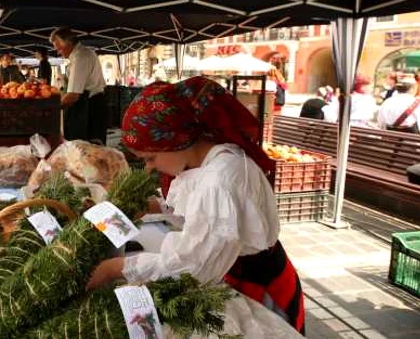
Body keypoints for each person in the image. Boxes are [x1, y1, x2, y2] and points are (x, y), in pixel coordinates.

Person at [86, 77, 305, 335]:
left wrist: (115, 268)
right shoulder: (210, 161)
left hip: (256, 284)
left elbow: (191, 267)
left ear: (175, 140)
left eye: (151, 158)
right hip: (229, 271)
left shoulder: (221, 179)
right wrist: (152, 206)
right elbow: (198, 208)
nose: (149, 168)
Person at [50, 27, 108, 144]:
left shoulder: (81, 57)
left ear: (69, 43)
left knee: (87, 148)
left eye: (59, 48)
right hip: (87, 104)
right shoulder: (81, 54)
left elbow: (73, 95)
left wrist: (53, 109)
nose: (58, 52)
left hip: (90, 107)